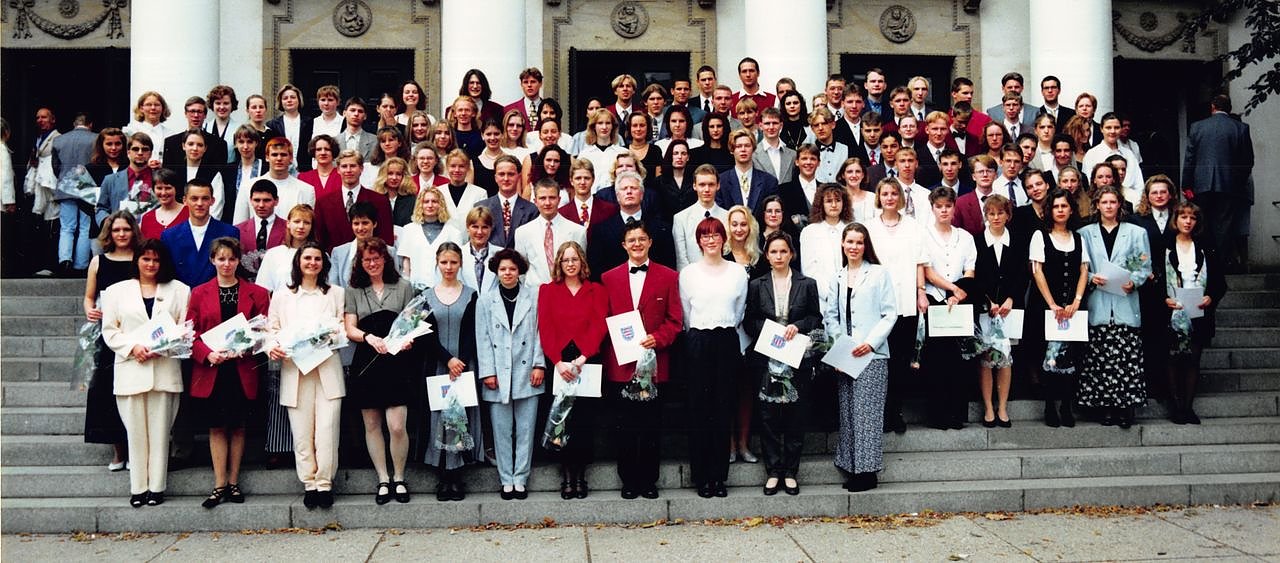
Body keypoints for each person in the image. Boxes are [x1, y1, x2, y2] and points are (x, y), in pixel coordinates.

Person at [100, 239, 191, 507]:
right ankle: (138, 488)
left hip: (164, 370)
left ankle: (157, 488)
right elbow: (110, 330)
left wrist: (163, 347)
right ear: (137, 260)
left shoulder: (179, 290)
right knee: (136, 433)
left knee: (161, 433)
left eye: (156, 260)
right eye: (146, 259)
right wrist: (133, 348)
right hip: (131, 369)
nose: (151, 265)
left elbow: (185, 329)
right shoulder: (116, 291)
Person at [187, 237, 270, 508]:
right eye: (221, 259)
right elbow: (191, 333)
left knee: (238, 426)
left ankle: (233, 482)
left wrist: (244, 350)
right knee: (216, 427)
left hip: (241, 369)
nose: (226, 264)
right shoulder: (199, 293)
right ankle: (219, 483)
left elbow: (262, 332)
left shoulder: (257, 293)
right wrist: (207, 354)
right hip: (212, 369)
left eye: (232, 259)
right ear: (212, 260)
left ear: (238, 261)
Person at [343, 237, 421, 505]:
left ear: (386, 259)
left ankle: (399, 477)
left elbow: (412, 322)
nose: (372, 263)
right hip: (368, 358)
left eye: (376, 258)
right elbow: (349, 327)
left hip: (397, 360)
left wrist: (408, 339)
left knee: (397, 426)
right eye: (367, 260)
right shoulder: (353, 289)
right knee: (372, 425)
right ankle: (383, 479)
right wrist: (367, 337)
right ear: (360, 262)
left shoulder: (404, 286)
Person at [267, 242, 345, 509]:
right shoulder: (282, 295)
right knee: (301, 432)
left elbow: (342, 328)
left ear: (324, 264)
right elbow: (272, 330)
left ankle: (324, 483)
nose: (312, 263)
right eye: (307, 258)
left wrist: (330, 336)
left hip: (327, 369)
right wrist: (273, 346)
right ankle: (309, 483)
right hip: (296, 370)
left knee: (326, 430)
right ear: (298, 262)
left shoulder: (335, 293)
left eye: (317, 259)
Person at [742, 231, 820, 495]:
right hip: (767, 356)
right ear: (767, 255)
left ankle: (791, 472)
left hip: (796, 356)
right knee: (768, 416)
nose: (779, 256)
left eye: (783, 251)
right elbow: (749, 320)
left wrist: (798, 326)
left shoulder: (807, 284)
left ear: (791, 254)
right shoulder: (757, 284)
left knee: (796, 415)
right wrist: (769, 329)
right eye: (774, 251)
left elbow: (815, 317)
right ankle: (774, 471)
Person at [823, 223, 897, 491]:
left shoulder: (878, 273)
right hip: (847, 355)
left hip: (872, 355)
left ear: (866, 246)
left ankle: (867, 473)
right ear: (842, 244)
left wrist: (870, 343)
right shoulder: (837, 277)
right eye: (850, 242)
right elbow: (831, 315)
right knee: (849, 413)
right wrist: (840, 348)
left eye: (859, 242)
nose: (854, 247)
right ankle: (852, 467)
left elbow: (890, 313)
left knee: (867, 414)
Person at [680, 217, 749, 498]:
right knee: (699, 409)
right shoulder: (688, 274)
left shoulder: (737, 272)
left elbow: (740, 309)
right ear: (699, 241)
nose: (711, 240)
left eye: (716, 235)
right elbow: (686, 314)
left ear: (724, 239)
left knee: (723, 408)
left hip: (726, 340)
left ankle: (719, 477)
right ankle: (701, 477)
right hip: (698, 340)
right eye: (705, 236)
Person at [536, 241, 608, 499]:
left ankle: (580, 476)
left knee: (584, 421)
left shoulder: (596, 290)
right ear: (559, 262)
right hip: (560, 362)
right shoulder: (548, 291)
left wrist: (583, 357)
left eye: (574, 259)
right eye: (565, 259)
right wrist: (557, 362)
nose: (570, 264)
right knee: (561, 419)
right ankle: (567, 476)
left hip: (586, 360)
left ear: (582, 262)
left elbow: (599, 325)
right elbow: (545, 327)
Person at [1078, 186, 1151, 428]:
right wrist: (1091, 278)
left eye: (1113, 202)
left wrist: (1134, 281)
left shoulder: (1136, 232)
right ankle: (1105, 408)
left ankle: (1126, 408)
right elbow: (1081, 267)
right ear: (1097, 205)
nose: (1108, 206)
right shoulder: (1085, 234)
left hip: (1124, 302)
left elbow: (1144, 264)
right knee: (1100, 360)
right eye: (1104, 202)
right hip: (1098, 302)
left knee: (1126, 360)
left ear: (1119, 204)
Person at [475, 248, 545, 500]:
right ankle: (506, 479)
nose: (507, 273)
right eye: (503, 269)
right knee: (502, 429)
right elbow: (482, 338)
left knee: (526, 428)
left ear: (519, 271)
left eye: (512, 269)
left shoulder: (534, 297)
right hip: (498, 372)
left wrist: (539, 365)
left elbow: (540, 332)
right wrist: (488, 372)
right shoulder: (485, 300)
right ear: (496, 271)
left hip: (527, 370)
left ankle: (520, 478)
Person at [865, 178, 929, 433]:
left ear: (900, 197)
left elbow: (920, 262)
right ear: (878, 197)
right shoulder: (869, 227)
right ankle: (879, 413)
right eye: (885, 193)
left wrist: (921, 292)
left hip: (905, 301)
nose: (890, 198)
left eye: (894, 193)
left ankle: (896, 412)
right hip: (876, 304)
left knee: (901, 361)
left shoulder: (913, 226)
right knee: (879, 360)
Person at [82, 211, 139, 472]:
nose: (121, 234)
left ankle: (135, 450)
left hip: (135, 332)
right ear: (109, 233)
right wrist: (90, 310)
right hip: (107, 335)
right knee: (107, 390)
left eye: (126, 229)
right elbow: (89, 297)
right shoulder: (98, 261)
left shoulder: (141, 259)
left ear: (133, 231)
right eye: (116, 230)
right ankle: (118, 451)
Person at [1028, 188, 1090, 427]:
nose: (1060, 210)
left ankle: (1066, 405)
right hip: (1046, 307)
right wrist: (1052, 304)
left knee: (1070, 356)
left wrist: (1076, 301)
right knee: (1048, 356)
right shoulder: (1040, 236)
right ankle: (1049, 406)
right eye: (1056, 206)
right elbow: (1037, 271)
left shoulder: (1078, 238)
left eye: (1064, 206)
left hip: (1072, 307)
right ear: (1049, 210)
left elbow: (1084, 270)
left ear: (1071, 209)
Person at [1163, 201, 1227, 424]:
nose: (1188, 221)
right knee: (1172, 359)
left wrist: (1211, 297)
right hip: (1171, 310)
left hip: (1198, 309)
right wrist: (1164, 299)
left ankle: (1188, 408)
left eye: (1192, 218)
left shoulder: (1205, 247)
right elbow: (1155, 278)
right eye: (1184, 217)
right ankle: (1176, 407)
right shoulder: (1165, 245)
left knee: (1193, 359)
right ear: (1176, 220)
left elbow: (1219, 281)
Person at [920, 186, 978, 429]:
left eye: (948, 206)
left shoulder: (965, 237)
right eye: (939, 206)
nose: (943, 210)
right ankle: (937, 416)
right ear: (932, 208)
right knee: (936, 360)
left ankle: (956, 415)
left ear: (954, 208)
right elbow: (928, 271)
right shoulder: (923, 235)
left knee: (958, 360)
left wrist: (958, 293)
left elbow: (970, 270)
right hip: (934, 299)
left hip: (959, 302)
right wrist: (951, 289)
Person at [1181, 94, 1255, 266]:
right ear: (1229, 108)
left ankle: (1202, 263)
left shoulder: (1197, 127)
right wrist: (1237, 183)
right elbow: (1247, 161)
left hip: (1201, 184)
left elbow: (1190, 158)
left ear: (1212, 107)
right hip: (1229, 186)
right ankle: (1218, 265)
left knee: (1200, 223)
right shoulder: (1240, 128)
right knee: (1224, 225)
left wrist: (1186, 184)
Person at [973, 193, 1025, 428]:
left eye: (1000, 213)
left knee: (1005, 358)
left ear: (1008, 215)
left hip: (1009, 309)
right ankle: (988, 407)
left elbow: (1022, 275)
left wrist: (1011, 298)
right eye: (991, 213)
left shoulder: (1018, 241)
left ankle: (1002, 407)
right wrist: (988, 302)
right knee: (986, 358)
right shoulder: (976, 241)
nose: (995, 217)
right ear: (986, 215)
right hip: (987, 309)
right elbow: (974, 275)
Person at [161, 179, 240, 289]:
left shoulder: (229, 232)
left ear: (212, 201)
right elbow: (167, 273)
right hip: (181, 296)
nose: (199, 203)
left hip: (215, 295)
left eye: (205, 198)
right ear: (185, 200)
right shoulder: (170, 236)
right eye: (194, 198)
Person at [313, 149, 394, 252]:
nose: (348, 170)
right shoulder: (323, 203)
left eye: (353, 166)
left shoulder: (380, 201)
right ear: (338, 169)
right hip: (335, 260)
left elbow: (386, 238)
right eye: (344, 166)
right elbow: (320, 240)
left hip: (371, 258)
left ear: (361, 168)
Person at [514, 178, 588, 286]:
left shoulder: (577, 231)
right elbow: (521, 270)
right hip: (535, 293)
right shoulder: (522, 232)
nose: (547, 203)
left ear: (559, 199)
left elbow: (581, 268)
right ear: (535, 201)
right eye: (542, 198)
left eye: (552, 198)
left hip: (567, 291)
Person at [232, 137, 317, 225]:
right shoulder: (247, 186)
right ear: (267, 157)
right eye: (274, 155)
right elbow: (239, 225)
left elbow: (308, 225)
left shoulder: (306, 190)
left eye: (283, 155)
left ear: (291, 158)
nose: (279, 158)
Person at [398, 185, 463, 287]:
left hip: (443, 289)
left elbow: (457, 264)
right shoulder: (409, 230)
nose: (430, 205)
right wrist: (407, 284)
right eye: (426, 201)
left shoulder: (453, 232)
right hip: (415, 288)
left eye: (434, 201)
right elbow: (406, 261)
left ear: (441, 204)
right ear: (420, 204)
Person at [800, 184, 852, 307]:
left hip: (851, 298)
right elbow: (809, 270)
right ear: (821, 204)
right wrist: (830, 295)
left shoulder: (851, 229)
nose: (834, 205)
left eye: (838, 200)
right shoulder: (809, 232)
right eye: (829, 201)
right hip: (822, 300)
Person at [673, 164, 729, 271]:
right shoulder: (681, 218)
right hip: (692, 277)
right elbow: (681, 259)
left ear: (718, 186)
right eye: (702, 185)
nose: (706, 189)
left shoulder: (727, 217)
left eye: (711, 184)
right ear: (695, 186)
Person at [169, 129, 231, 222]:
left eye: (200, 145)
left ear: (205, 148)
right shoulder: (174, 172)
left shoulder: (213, 173)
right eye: (190, 144)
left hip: (205, 224)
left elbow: (216, 207)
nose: (195, 148)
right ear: (183, 146)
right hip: (177, 224)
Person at [329, 201, 396, 288]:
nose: (360, 228)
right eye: (356, 223)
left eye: (365, 223)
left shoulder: (390, 251)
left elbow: (395, 284)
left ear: (375, 224)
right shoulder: (339, 253)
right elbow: (333, 286)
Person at [477, 155, 538, 248]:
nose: (506, 179)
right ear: (495, 178)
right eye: (501, 174)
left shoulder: (532, 210)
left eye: (511, 174)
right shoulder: (481, 207)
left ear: (519, 176)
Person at [95, 133, 154, 226]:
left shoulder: (160, 179)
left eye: (145, 149)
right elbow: (101, 208)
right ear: (128, 152)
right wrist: (108, 222)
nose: (140, 153)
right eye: (135, 149)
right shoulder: (110, 180)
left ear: (150, 154)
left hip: (152, 232)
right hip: (120, 231)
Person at [234, 180, 286, 278]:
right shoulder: (237, 230)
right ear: (250, 200)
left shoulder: (289, 229)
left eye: (267, 200)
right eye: (257, 200)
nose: (261, 205)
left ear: (276, 201)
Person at [265, 84, 313, 172]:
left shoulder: (310, 122)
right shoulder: (272, 125)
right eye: (285, 98)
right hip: (281, 170)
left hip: (305, 170)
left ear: (299, 100)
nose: (289, 100)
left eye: (293, 97)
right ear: (281, 102)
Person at [437, 148, 487, 233]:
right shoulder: (438, 192)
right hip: (444, 240)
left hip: (470, 239)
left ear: (467, 168)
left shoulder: (480, 193)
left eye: (461, 166)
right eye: (453, 166)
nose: (457, 170)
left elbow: (481, 222)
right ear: (447, 167)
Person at [578, 110, 625, 191]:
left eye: (608, 123)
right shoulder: (584, 155)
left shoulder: (623, 153)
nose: (604, 127)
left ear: (613, 126)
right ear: (594, 126)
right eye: (600, 123)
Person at [138, 168, 188, 241]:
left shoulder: (189, 213)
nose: (163, 193)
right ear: (153, 189)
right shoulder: (147, 218)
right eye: (159, 188)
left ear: (176, 189)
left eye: (168, 188)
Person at [122, 92, 171, 163]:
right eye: (148, 105)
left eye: (157, 105)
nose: (153, 108)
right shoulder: (130, 131)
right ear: (141, 108)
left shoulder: (170, 134)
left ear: (163, 108)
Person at [754, 108, 796, 184]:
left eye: (775, 123)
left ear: (781, 125)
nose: (771, 127)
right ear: (760, 126)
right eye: (767, 123)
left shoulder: (793, 155)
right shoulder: (753, 154)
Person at [371, 156, 415, 227]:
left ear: (404, 176)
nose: (394, 178)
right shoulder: (374, 199)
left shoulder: (412, 200)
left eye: (398, 174)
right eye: (390, 173)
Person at [228, 126, 267, 204]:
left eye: (249, 142)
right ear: (236, 144)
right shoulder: (228, 170)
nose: (245, 147)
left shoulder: (266, 169)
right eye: (241, 142)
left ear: (256, 143)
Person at [205, 85, 244, 162]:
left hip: (231, 169)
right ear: (212, 105)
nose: (222, 107)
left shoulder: (240, 129)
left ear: (232, 105)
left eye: (226, 103)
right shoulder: (205, 127)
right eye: (218, 103)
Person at [656, 140, 695, 218]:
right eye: (675, 153)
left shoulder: (695, 180)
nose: (680, 157)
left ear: (688, 157)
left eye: (683, 153)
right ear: (670, 156)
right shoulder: (658, 182)